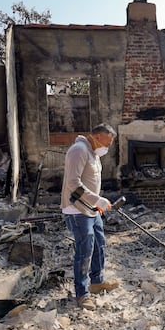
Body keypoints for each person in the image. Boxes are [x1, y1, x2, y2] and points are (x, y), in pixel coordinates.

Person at [61, 123, 119, 310]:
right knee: (84, 251)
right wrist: (97, 199)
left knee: (99, 244)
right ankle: (82, 293)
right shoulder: (78, 150)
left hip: (90, 209)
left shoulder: (93, 153)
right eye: (107, 142)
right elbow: (72, 183)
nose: (108, 147)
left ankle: (96, 282)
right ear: (98, 137)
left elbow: (90, 181)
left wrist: (96, 204)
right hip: (77, 210)